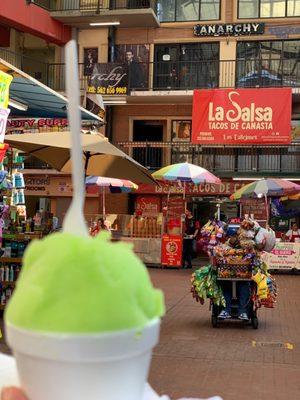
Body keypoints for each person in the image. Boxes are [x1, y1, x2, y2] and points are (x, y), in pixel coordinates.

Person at [218, 234, 251, 321]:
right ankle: (226, 310)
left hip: (243, 275)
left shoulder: (246, 246)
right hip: (227, 274)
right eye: (232, 236)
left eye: (236, 236)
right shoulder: (224, 247)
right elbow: (219, 256)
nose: (234, 238)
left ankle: (243, 312)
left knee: (244, 286)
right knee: (225, 286)